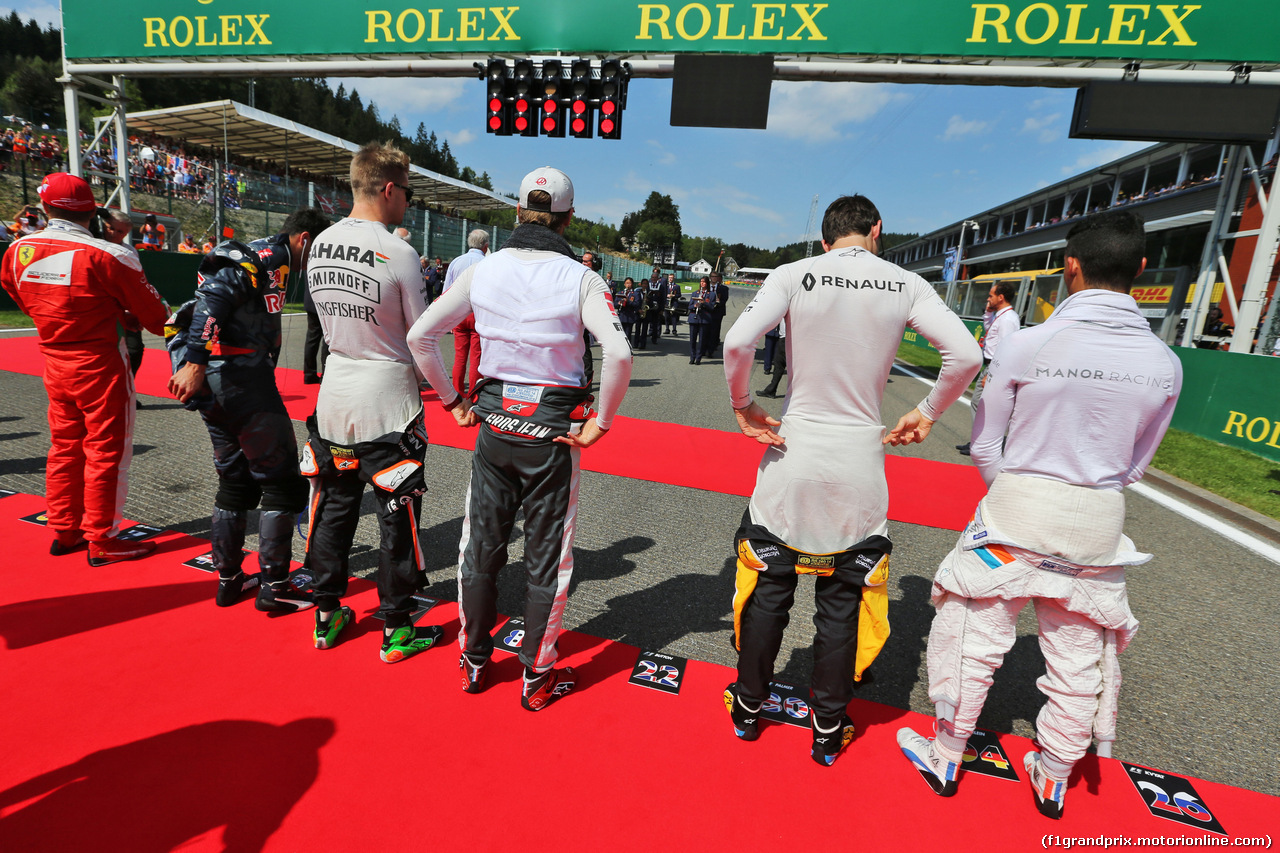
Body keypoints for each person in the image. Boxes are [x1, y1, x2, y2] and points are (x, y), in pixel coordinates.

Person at [896, 211, 1182, 820]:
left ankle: (946, 753)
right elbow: (1136, 465)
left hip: (1014, 513)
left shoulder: (1026, 344)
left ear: (1070, 266)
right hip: (1099, 520)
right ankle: (1053, 775)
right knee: (1079, 655)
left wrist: (1018, 498)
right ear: (1140, 269)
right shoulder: (1165, 362)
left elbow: (984, 444)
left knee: (972, 633)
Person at [721, 194, 981, 766]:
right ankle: (827, 726)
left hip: (793, 450)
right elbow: (965, 354)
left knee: (768, 586)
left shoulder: (794, 274)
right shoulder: (905, 282)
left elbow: (737, 342)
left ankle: (748, 708)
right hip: (860, 460)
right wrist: (929, 412)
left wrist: (743, 405)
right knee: (842, 602)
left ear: (824, 239)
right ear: (877, 230)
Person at [407, 166, 632, 711]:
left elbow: (420, 336)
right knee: (546, 561)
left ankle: (475, 660)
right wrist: (601, 422)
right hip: (552, 437)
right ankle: (537, 673)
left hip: (495, 430)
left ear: (516, 213)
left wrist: (455, 402)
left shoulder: (482, 270)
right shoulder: (582, 277)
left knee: (479, 551)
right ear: (568, 217)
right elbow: (620, 354)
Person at [301, 142, 444, 661]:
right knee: (396, 517)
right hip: (388, 402)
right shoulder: (399, 251)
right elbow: (421, 337)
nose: (409, 201)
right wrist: (451, 396)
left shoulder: (318, 243)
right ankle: (397, 628)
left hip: (334, 395)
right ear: (388, 189)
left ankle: (325, 615)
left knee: (332, 507)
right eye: (407, 191)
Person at [1, 173, 169, 565]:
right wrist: (119, 313)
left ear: (44, 208)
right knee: (106, 451)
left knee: (63, 448)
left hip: (53, 360)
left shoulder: (18, 248)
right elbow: (159, 318)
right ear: (93, 211)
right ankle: (103, 538)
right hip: (101, 364)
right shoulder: (109, 254)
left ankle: (64, 528)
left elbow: (20, 298)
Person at [168, 208, 331, 612]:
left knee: (236, 479)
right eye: (320, 249)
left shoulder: (273, 262)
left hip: (226, 384)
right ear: (305, 239)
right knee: (281, 482)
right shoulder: (259, 258)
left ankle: (228, 578)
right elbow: (212, 298)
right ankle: (275, 584)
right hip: (241, 382)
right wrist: (195, 361)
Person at [957, 280, 1019, 456]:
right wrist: (988, 311)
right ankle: (978, 442)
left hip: (995, 366)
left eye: (991, 296)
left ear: (1000, 297)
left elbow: (1006, 348)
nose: (988, 298)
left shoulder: (1007, 319)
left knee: (981, 403)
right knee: (980, 403)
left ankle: (981, 445)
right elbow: (988, 328)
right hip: (991, 365)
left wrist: (993, 374)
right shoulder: (1001, 315)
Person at [98, 209, 147, 407]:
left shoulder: (130, 252)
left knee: (135, 350)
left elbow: (137, 283)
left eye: (120, 232)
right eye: (110, 228)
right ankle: (104, 395)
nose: (113, 234)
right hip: (99, 311)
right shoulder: (91, 245)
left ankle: (125, 391)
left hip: (125, 310)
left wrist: (138, 310)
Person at [444, 229, 490, 396]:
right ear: (486, 246)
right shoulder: (488, 263)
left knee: (460, 356)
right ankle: (473, 393)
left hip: (459, 313)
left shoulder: (456, 262)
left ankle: (456, 390)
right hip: (477, 313)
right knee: (476, 356)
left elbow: (446, 291)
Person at [686, 276, 715, 364]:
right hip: (694, 318)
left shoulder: (712, 294)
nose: (702, 283)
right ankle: (692, 357)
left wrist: (704, 303)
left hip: (704, 319)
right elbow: (689, 306)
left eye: (704, 282)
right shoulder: (695, 293)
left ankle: (698, 358)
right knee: (692, 339)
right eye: (701, 282)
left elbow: (711, 307)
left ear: (707, 283)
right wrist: (694, 306)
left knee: (702, 340)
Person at [756, 318, 786, 398]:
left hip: (787, 338)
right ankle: (771, 390)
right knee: (778, 364)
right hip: (783, 338)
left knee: (781, 365)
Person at [709, 270, 730, 354]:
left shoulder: (723, 288)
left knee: (715, 330)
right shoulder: (706, 287)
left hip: (718, 311)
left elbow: (724, 299)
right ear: (710, 278)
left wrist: (718, 302)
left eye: (716, 277)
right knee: (706, 330)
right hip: (707, 311)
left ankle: (712, 348)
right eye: (712, 277)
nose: (714, 278)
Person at [645, 268, 667, 343]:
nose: (654, 279)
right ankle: (644, 338)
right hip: (649, 307)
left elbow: (663, 297)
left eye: (655, 278)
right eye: (652, 278)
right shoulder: (648, 285)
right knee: (646, 322)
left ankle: (654, 338)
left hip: (657, 308)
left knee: (655, 323)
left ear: (658, 278)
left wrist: (662, 309)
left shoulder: (661, 286)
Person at [617, 277, 641, 345]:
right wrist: (618, 303)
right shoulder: (621, 292)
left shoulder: (635, 293)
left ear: (632, 284)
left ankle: (628, 349)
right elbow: (615, 303)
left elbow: (637, 304)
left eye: (629, 283)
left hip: (630, 316)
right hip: (622, 315)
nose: (628, 285)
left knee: (628, 334)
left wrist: (628, 302)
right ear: (624, 284)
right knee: (620, 334)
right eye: (627, 283)